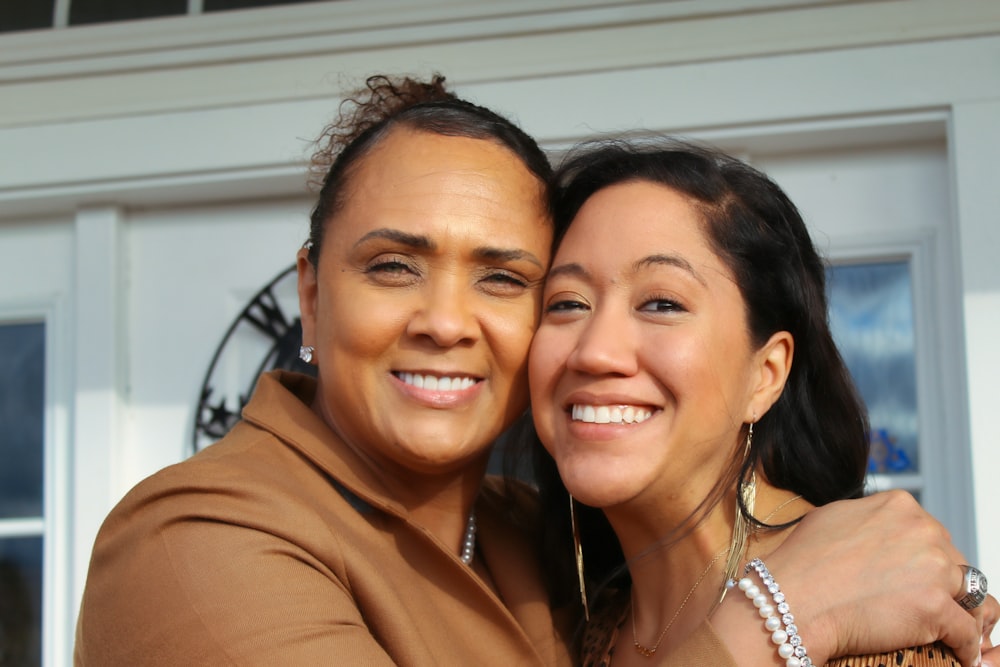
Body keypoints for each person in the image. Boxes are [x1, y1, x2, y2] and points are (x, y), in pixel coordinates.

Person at [75, 75, 993, 666]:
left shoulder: (544, 543)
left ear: (768, 370)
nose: (443, 321)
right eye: (394, 266)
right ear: (311, 297)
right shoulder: (192, 538)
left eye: (507, 279)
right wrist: (780, 614)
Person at [527, 136, 997, 666]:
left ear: (765, 374)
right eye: (567, 303)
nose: (595, 352)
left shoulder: (877, 628)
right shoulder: (598, 627)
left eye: (662, 302)